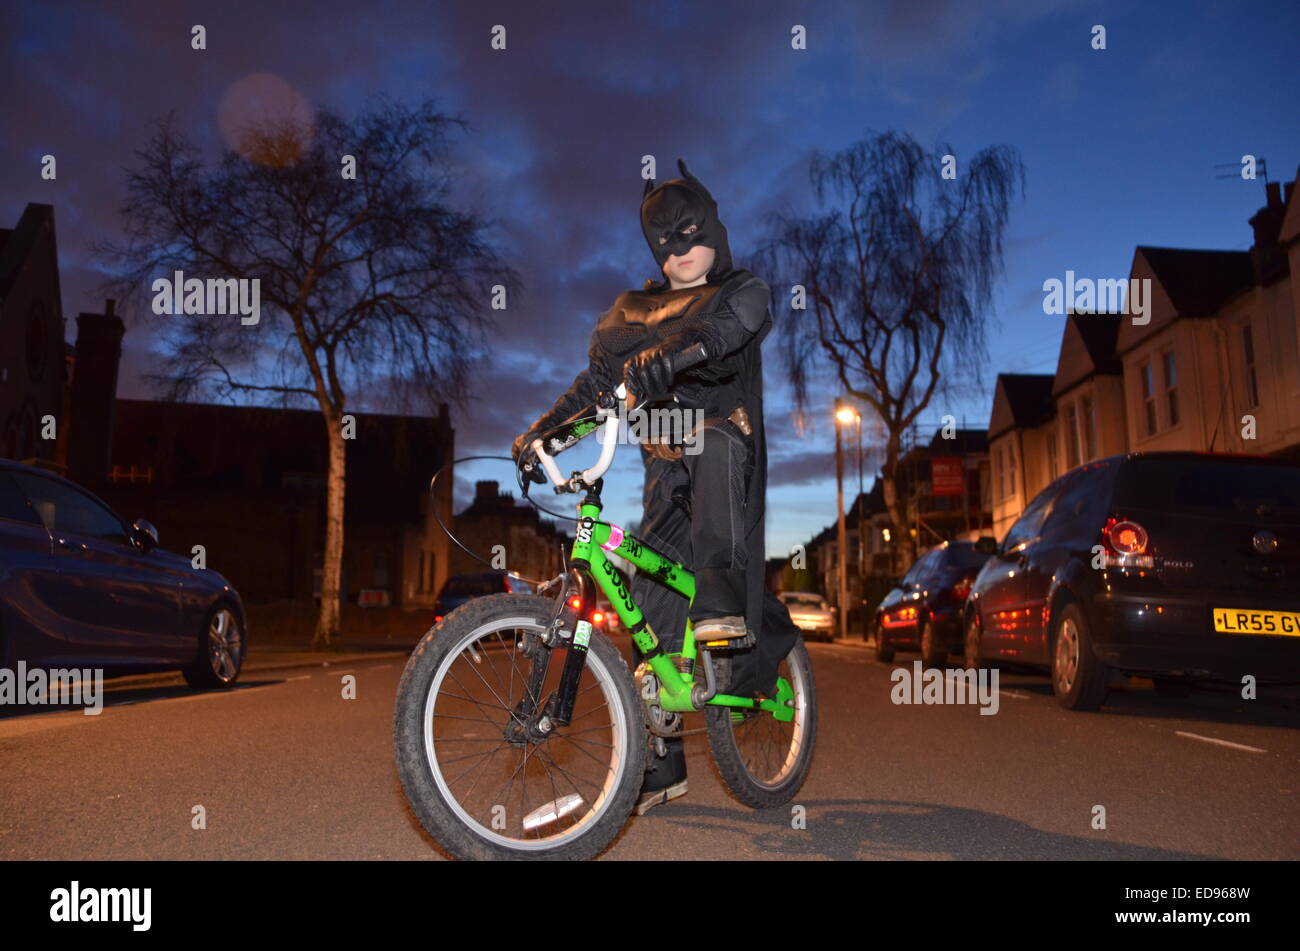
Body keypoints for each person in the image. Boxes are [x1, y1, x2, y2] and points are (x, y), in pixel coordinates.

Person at [512, 159, 799, 814]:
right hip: (665, 474)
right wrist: (542, 433)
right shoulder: (633, 311)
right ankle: (664, 763)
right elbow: (593, 390)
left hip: (727, 452)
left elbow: (732, 328)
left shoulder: (739, 289)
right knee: (650, 605)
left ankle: (723, 601)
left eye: (692, 237)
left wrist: (677, 352)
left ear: (715, 233)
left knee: (714, 439)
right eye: (666, 247)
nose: (682, 254)